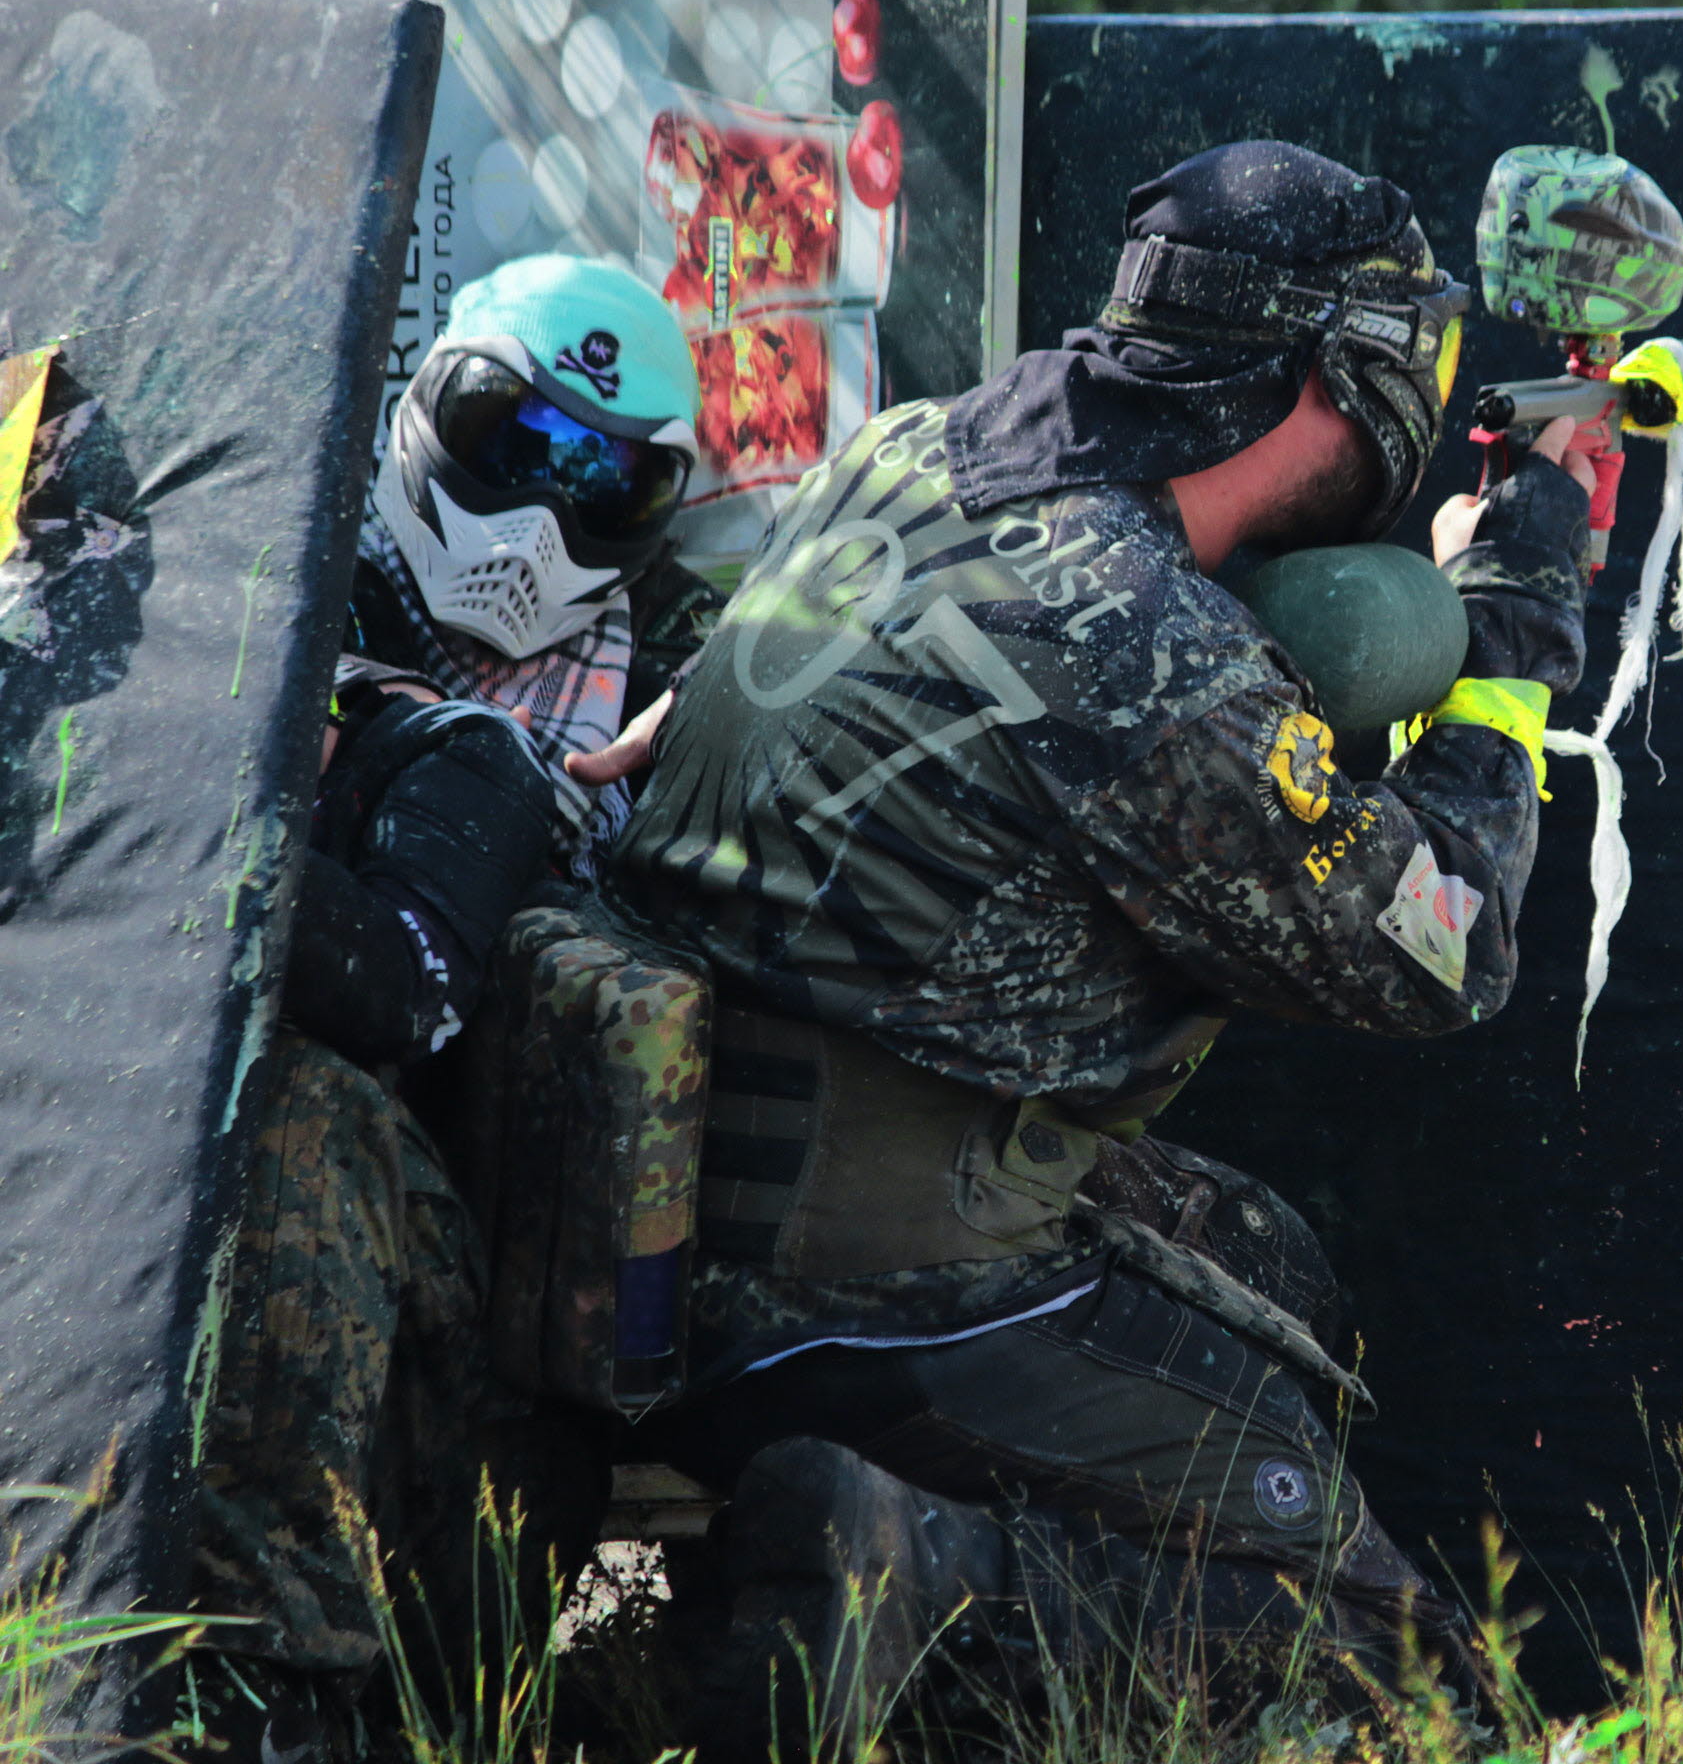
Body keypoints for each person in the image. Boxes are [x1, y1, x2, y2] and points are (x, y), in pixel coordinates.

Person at [577, 141, 1599, 1750]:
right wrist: (1514, 646)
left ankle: (807, 1555)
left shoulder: (911, 453)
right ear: (1341, 376)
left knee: (1258, 1264)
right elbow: (1441, 956)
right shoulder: (1135, 642)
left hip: (654, 1205)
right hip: (869, 1282)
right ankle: (923, 1565)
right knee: (1397, 1700)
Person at [191, 258, 715, 1754]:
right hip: (172, 1200)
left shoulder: (677, 685)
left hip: (451, 1297)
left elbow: (411, 993)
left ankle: (277, 1699)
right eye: (522, 442)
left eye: (602, 481)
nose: (548, 510)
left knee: (304, 1115)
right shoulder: (279, 580)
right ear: (430, 407)